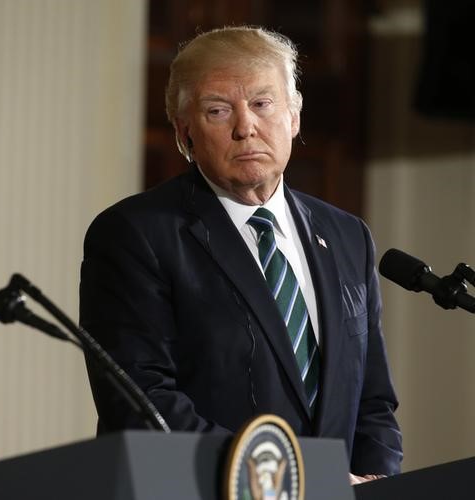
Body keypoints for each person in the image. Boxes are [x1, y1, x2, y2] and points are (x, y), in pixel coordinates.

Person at [79, 26, 403, 482]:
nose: (245, 126)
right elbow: (143, 403)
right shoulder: (136, 234)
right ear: (184, 131)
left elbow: (373, 398)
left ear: (294, 116)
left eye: (262, 104)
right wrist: (304, 479)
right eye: (217, 110)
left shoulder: (348, 235)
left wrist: (379, 483)